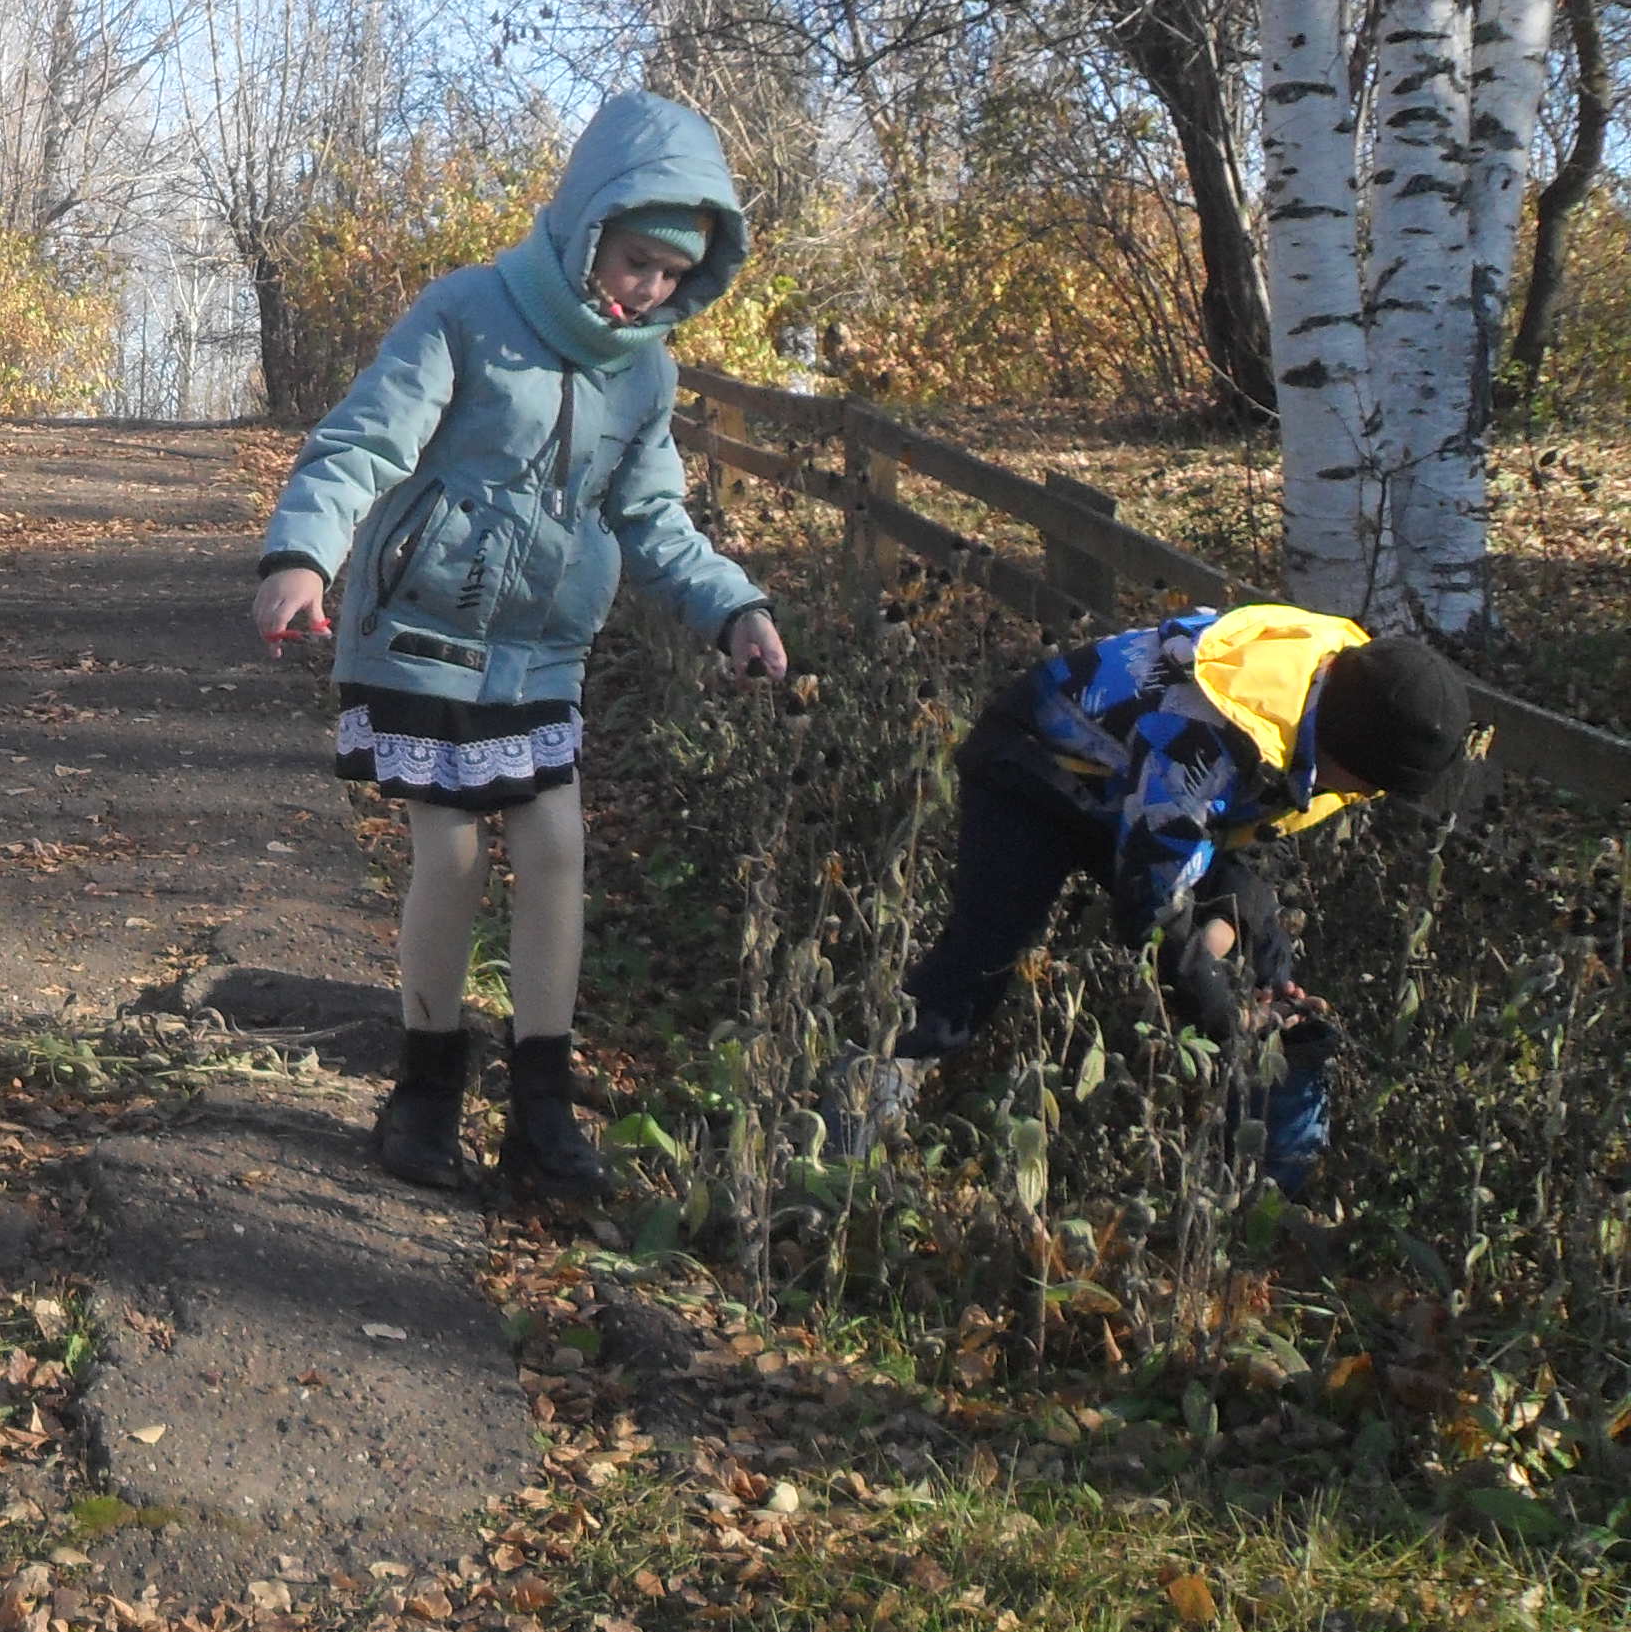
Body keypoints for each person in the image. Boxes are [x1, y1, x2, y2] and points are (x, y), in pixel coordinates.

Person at [253, 91, 789, 1202]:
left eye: (671, 276)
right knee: (448, 852)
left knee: (555, 846)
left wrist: (733, 609)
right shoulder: (468, 312)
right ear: (587, 224)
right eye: (636, 260)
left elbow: (653, 518)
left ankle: (543, 1111)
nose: (648, 290)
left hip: (540, 651)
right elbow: (360, 444)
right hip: (419, 635)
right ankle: (426, 1091)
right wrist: (300, 556)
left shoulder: (644, 372)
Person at [854, 606, 1469, 1194]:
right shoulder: (1207, 744)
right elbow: (1150, 908)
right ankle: (863, 1112)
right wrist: (1222, 1008)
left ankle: (1265, 1161)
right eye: (1371, 784)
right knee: (986, 954)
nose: (1371, 796)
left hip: (1138, 776)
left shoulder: (1329, 690)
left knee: (1254, 923)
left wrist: (1254, 955)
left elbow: (1256, 837)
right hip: (1032, 766)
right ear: (1349, 753)